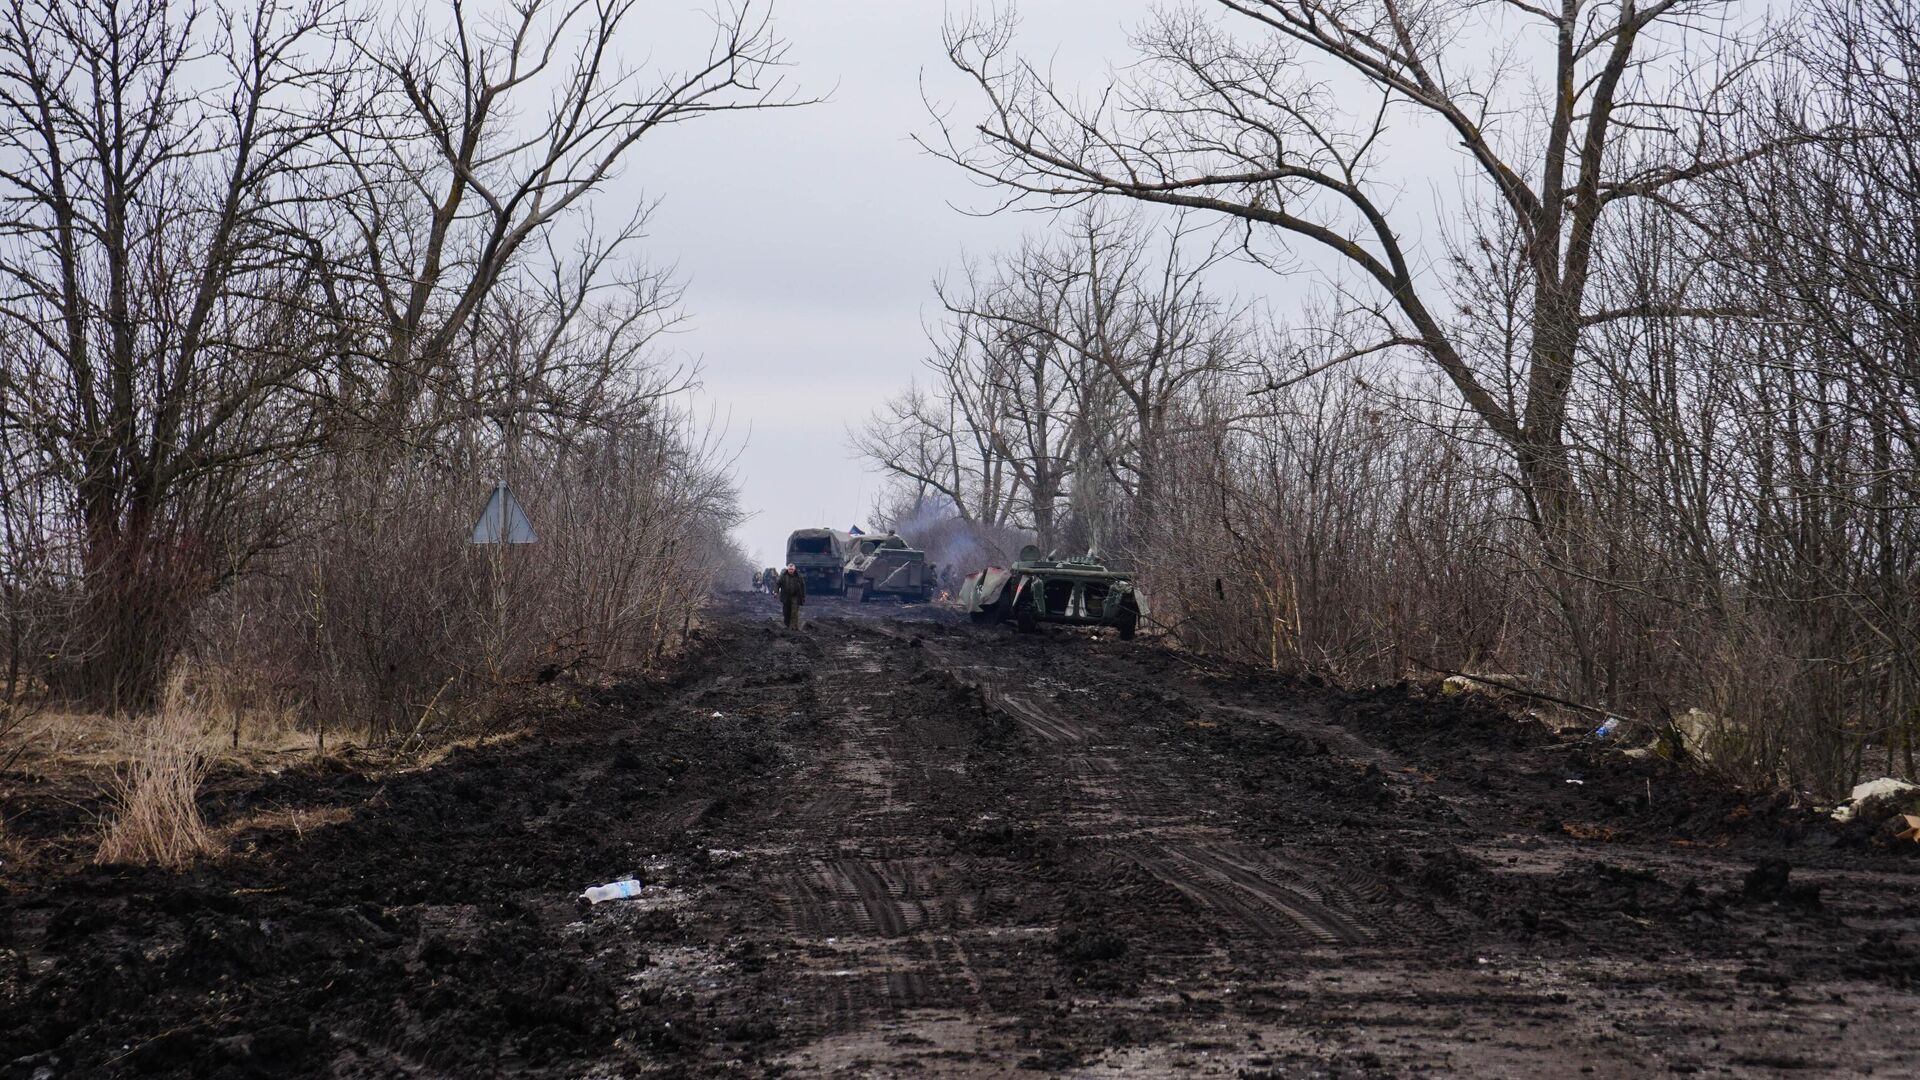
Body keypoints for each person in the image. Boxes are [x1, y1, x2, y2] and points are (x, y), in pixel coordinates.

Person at [776, 562, 807, 630]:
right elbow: (778, 583)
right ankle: (787, 624)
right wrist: (776, 592)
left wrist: (803, 596)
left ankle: (793, 627)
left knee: (794, 611)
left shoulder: (799, 576)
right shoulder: (783, 576)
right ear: (788, 569)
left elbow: (803, 586)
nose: (791, 571)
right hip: (786, 596)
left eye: (792, 569)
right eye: (790, 569)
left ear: (794, 569)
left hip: (795, 596)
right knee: (786, 612)